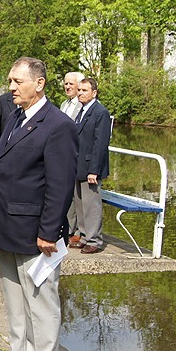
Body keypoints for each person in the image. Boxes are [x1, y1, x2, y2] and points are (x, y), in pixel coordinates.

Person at [0, 57, 77, 351]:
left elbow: (60, 185)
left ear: (39, 83)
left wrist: (49, 232)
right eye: (10, 80)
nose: (11, 87)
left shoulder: (58, 126)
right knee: (14, 299)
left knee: (40, 300)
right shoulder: (14, 116)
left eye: (17, 81)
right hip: (8, 224)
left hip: (35, 230)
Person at [68, 77, 111, 254]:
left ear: (94, 93)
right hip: (79, 165)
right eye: (79, 90)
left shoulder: (100, 112)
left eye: (84, 90)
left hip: (91, 168)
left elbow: (100, 144)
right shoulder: (82, 110)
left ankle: (94, 239)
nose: (80, 93)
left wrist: (94, 170)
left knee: (91, 204)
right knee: (80, 203)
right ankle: (83, 235)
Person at [60, 72, 84, 243]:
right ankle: (67, 227)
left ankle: (78, 231)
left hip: (76, 155)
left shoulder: (82, 105)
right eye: (66, 83)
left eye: (71, 84)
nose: (67, 87)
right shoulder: (63, 104)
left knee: (77, 196)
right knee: (64, 191)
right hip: (62, 154)